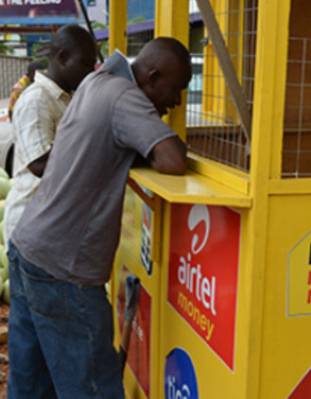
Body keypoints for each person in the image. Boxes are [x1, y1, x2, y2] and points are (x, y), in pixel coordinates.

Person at [7, 37, 192, 398]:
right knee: (91, 389)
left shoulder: (96, 81)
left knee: (30, 385)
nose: (177, 101)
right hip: (64, 272)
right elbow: (172, 160)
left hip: (28, 249)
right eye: (176, 89)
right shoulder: (126, 97)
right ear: (152, 77)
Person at [4, 25, 97, 249]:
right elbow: (39, 164)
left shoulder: (68, 97)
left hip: (51, 225)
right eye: (86, 64)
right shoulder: (37, 100)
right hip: (31, 227)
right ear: (62, 58)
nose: (91, 72)